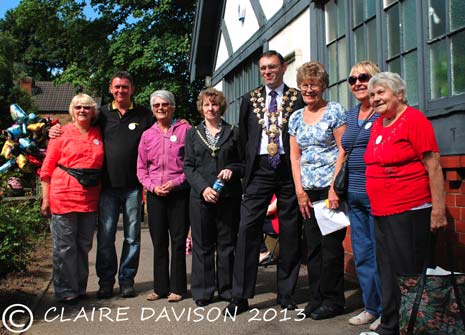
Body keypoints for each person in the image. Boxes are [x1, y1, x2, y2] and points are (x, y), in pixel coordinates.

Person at [364, 72, 447, 335]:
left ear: (399, 94)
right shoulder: (379, 123)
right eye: (372, 94)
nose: (375, 98)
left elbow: (433, 167)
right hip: (381, 211)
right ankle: (389, 326)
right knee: (387, 271)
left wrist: (438, 210)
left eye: (381, 92)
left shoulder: (414, 120)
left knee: (407, 274)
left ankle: (411, 328)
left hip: (409, 209)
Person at [224, 50, 304, 315]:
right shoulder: (250, 99)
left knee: (290, 230)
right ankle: (240, 296)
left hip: (287, 168)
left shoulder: (296, 98)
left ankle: (286, 293)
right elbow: (244, 137)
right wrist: (245, 171)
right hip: (258, 169)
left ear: (283, 68)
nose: (268, 72)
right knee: (247, 229)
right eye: (263, 69)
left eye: (272, 67)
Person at [288, 61, 347, 320]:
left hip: (329, 189)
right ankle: (316, 298)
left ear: (323, 86)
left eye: (313, 84)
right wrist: (299, 191)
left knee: (331, 247)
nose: (308, 89)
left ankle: (334, 301)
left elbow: (343, 150)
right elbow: (294, 157)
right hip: (308, 190)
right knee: (311, 247)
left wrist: (335, 188)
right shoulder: (295, 117)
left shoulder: (334, 110)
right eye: (304, 85)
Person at [40, 94, 104, 304]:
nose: (83, 111)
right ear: (72, 110)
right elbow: (47, 169)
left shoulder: (98, 132)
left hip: (89, 199)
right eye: (78, 107)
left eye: (87, 107)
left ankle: (79, 287)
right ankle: (65, 290)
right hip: (62, 196)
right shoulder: (60, 134)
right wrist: (45, 199)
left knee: (83, 245)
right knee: (64, 247)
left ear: (93, 111)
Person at [183, 87, 243, 307]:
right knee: (203, 245)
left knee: (227, 243)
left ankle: (227, 289)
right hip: (201, 198)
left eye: (215, 104)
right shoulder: (192, 133)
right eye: (207, 104)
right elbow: (188, 166)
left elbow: (243, 163)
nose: (211, 108)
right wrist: (202, 188)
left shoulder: (234, 132)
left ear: (221, 107)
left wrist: (232, 170)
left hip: (228, 197)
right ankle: (203, 291)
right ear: (201, 107)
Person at [137, 90, 191, 303]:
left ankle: (178, 288)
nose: (161, 108)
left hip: (179, 194)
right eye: (157, 105)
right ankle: (160, 288)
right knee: (159, 242)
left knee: (178, 241)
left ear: (172, 107)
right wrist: (152, 187)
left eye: (165, 104)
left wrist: (176, 182)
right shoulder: (147, 135)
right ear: (152, 109)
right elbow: (141, 168)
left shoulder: (186, 130)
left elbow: (191, 164)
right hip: (155, 195)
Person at [342, 61, 382, 331]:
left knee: (381, 254)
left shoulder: (383, 113)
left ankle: (388, 310)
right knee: (363, 254)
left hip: (378, 193)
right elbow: (342, 152)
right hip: (353, 194)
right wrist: (336, 187)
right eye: (352, 79)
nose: (357, 82)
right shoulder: (351, 114)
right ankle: (372, 307)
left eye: (363, 77)